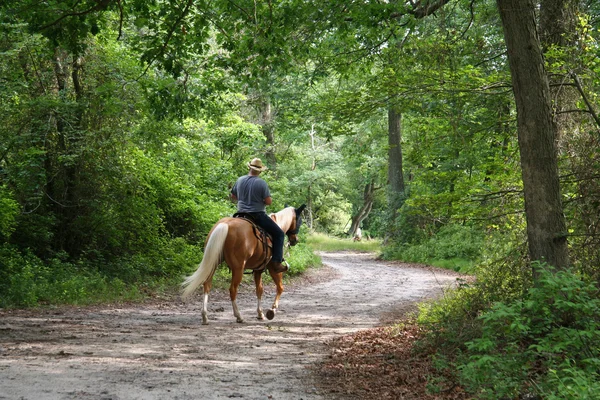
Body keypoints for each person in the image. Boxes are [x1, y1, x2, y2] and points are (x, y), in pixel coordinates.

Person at [230, 158, 287, 273]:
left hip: (240, 215)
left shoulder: (240, 180)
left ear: (249, 167)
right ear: (260, 171)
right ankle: (276, 262)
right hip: (257, 215)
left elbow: (233, 197)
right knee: (279, 234)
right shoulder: (261, 183)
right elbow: (268, 201)